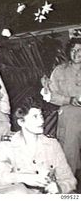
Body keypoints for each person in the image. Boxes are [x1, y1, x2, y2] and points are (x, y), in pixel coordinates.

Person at [0, 97, 77, 194]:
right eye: (35, 117)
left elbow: (69, 179)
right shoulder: (8, 145)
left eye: (41, 116)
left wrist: (59, 187)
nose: (41, 121)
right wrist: (23, 177)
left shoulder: (52, 145)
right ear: (21, 122)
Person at [48, 38, 81, 175]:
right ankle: (66, 188)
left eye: (79, 50)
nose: (76, 53)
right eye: (73, 50)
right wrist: (69, 99)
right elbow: (50, 95)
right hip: (69, 116)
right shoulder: (59, 71)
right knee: (68, 152)